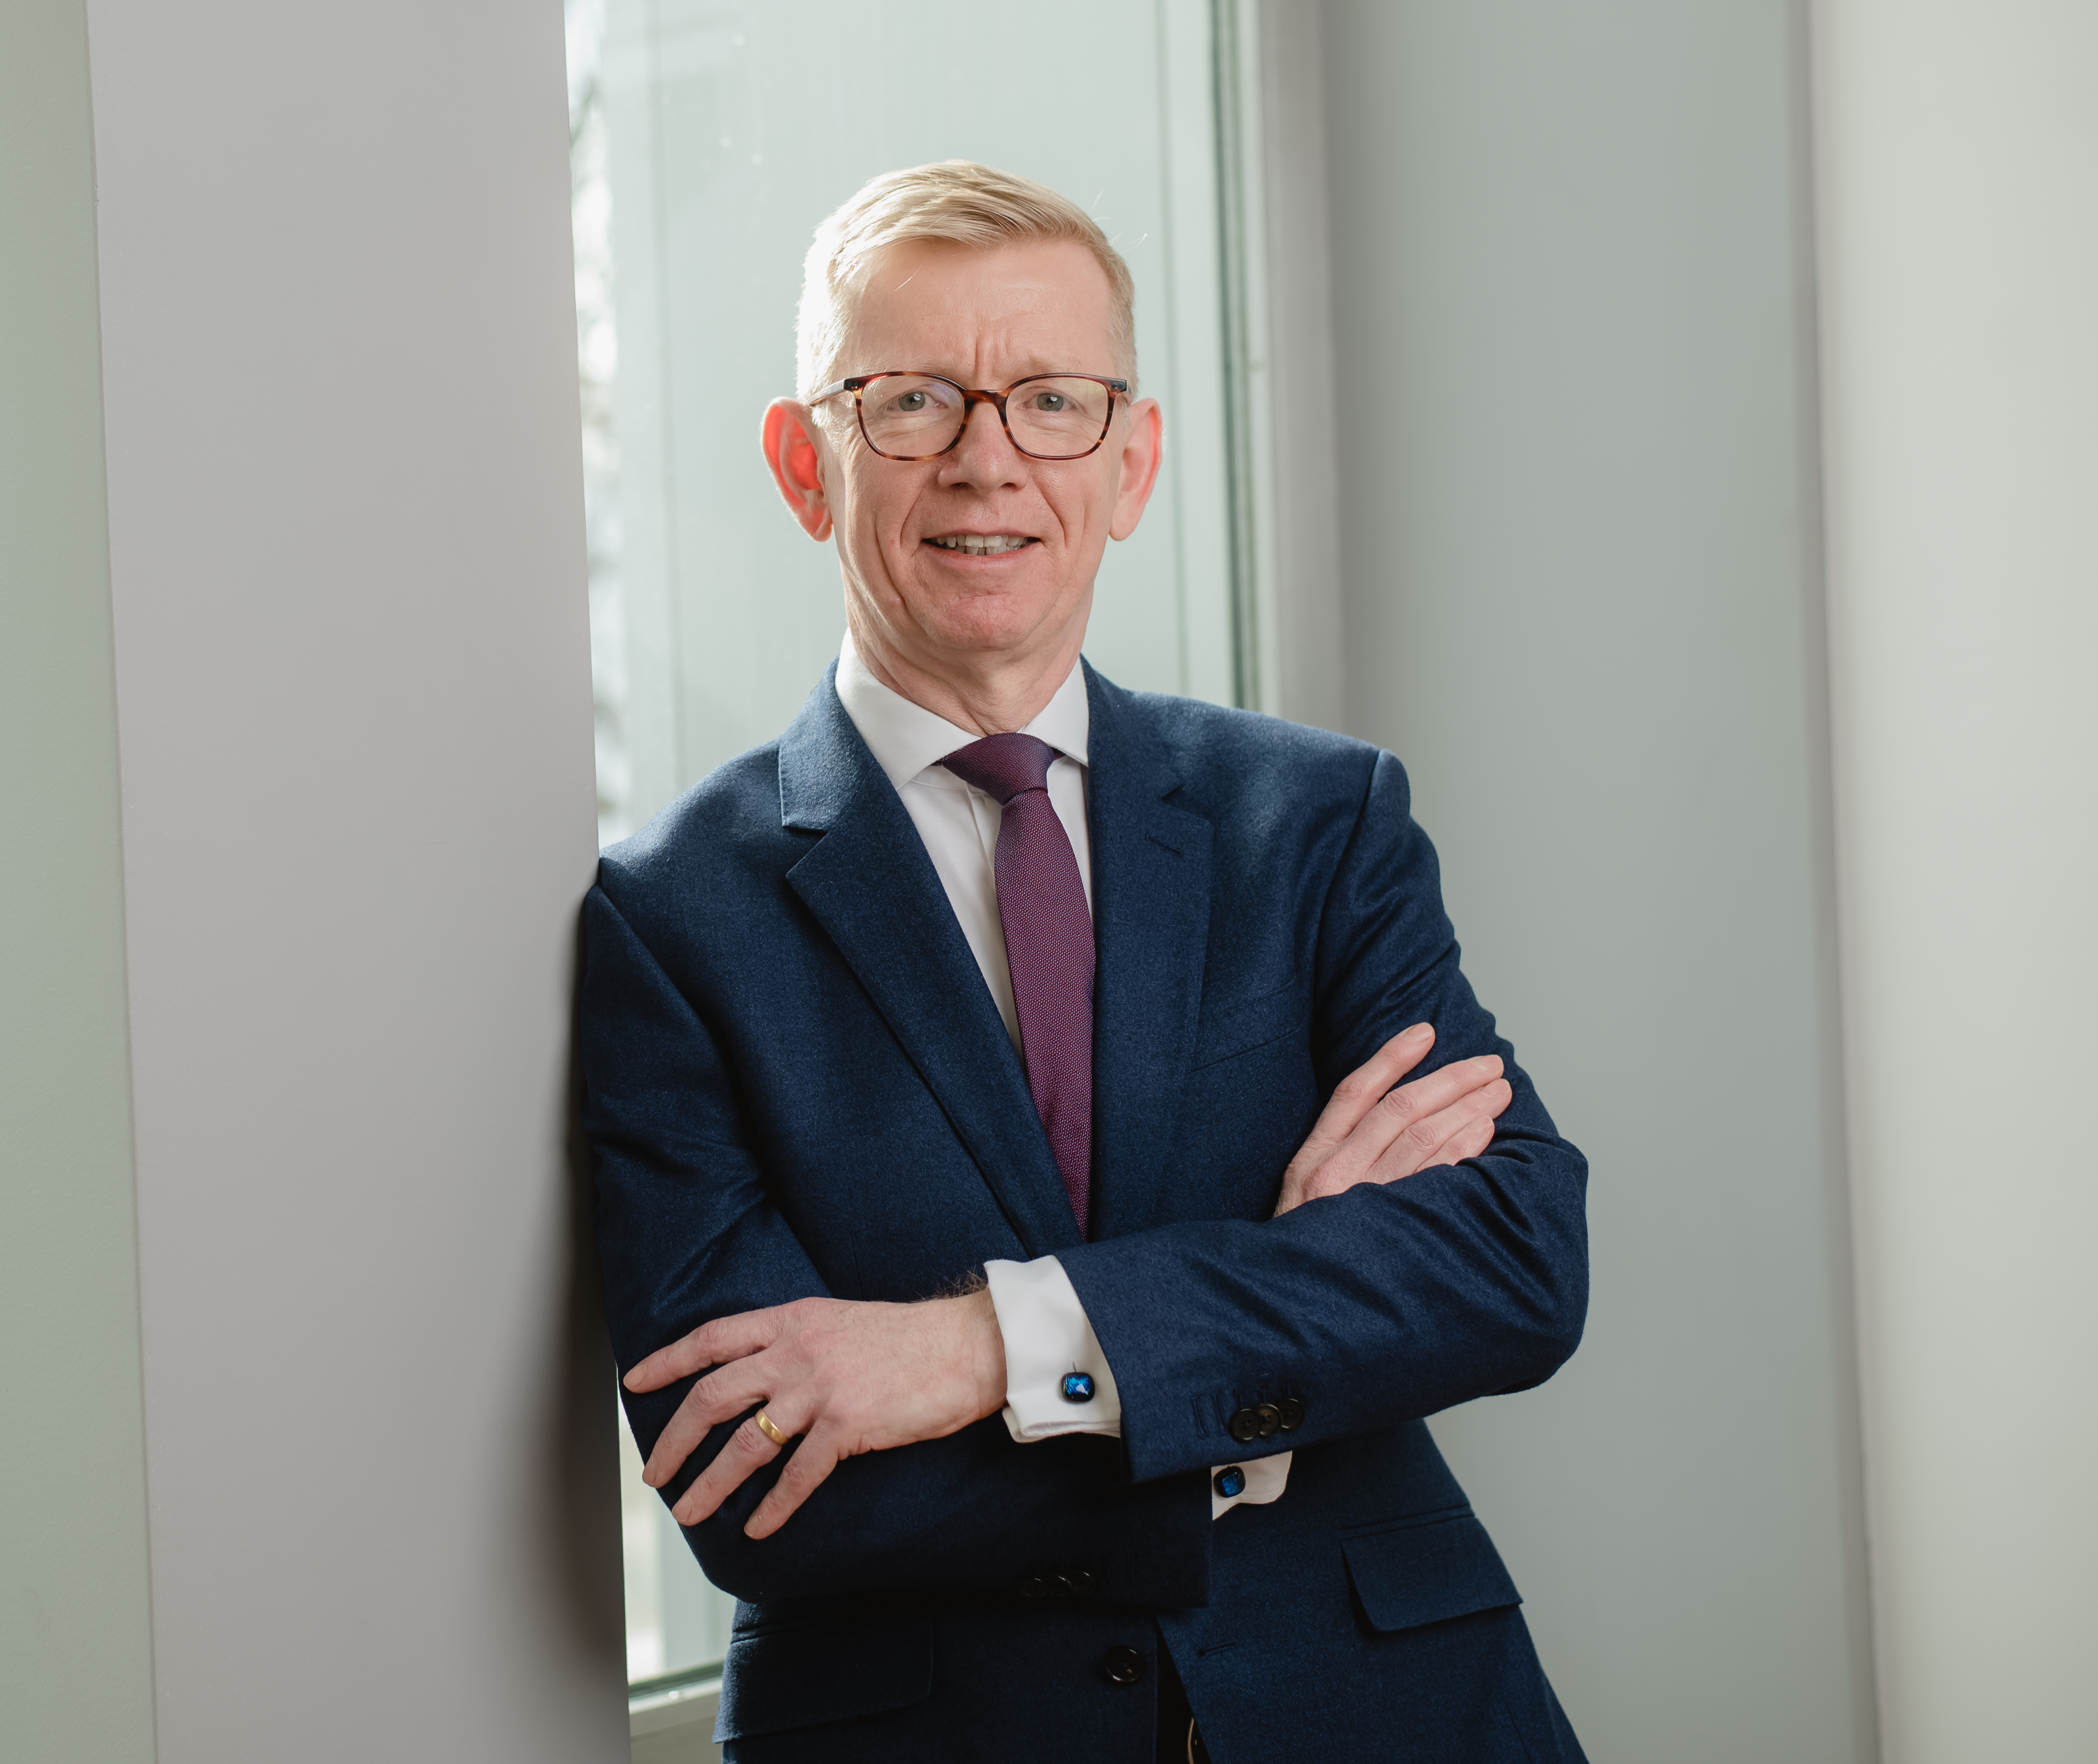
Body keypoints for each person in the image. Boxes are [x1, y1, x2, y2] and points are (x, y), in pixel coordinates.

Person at [578, 160, 1589, 1763]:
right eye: (910, 401)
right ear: (802, 462)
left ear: (1132, 461)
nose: (988, 463)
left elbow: (1514, 1266)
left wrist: (970, 1349)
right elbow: (759, 1490)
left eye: (1051, 400)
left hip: (1389, 1710)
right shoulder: (670, 916)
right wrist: (1275, 1343)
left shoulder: (1316, 820)